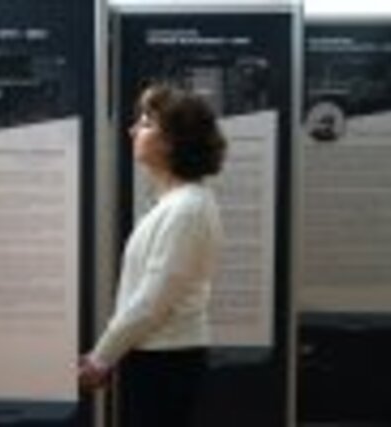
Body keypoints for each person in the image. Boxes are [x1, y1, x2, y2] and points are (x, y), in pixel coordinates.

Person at [79, 82, 227, 427]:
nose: (132, 130)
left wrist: (102, 357)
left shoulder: (187, 209)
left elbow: (151, 301)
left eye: (146, 123)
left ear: (172, 141)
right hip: (157, 355)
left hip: (167, 360)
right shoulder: (177, 205)